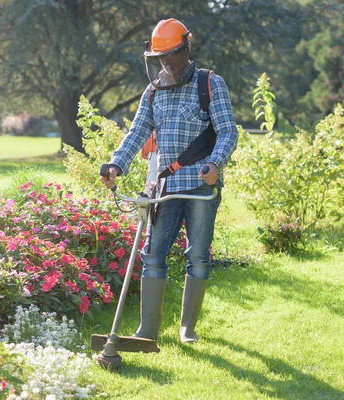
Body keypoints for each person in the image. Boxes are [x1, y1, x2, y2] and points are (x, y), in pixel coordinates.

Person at [102, 18, 238, 344]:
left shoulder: (209, 83)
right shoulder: (153, 92)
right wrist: (116, 165)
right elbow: (136, 133)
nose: (165, 62)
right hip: (166, 188)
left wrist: (215, 164)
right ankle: (146, 332)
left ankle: (187, 328)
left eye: (171, 55)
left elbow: (228, 131)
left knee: (198, 255)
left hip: (200, 185)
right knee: (153, 254)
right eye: (159, 57)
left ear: (186, 48)